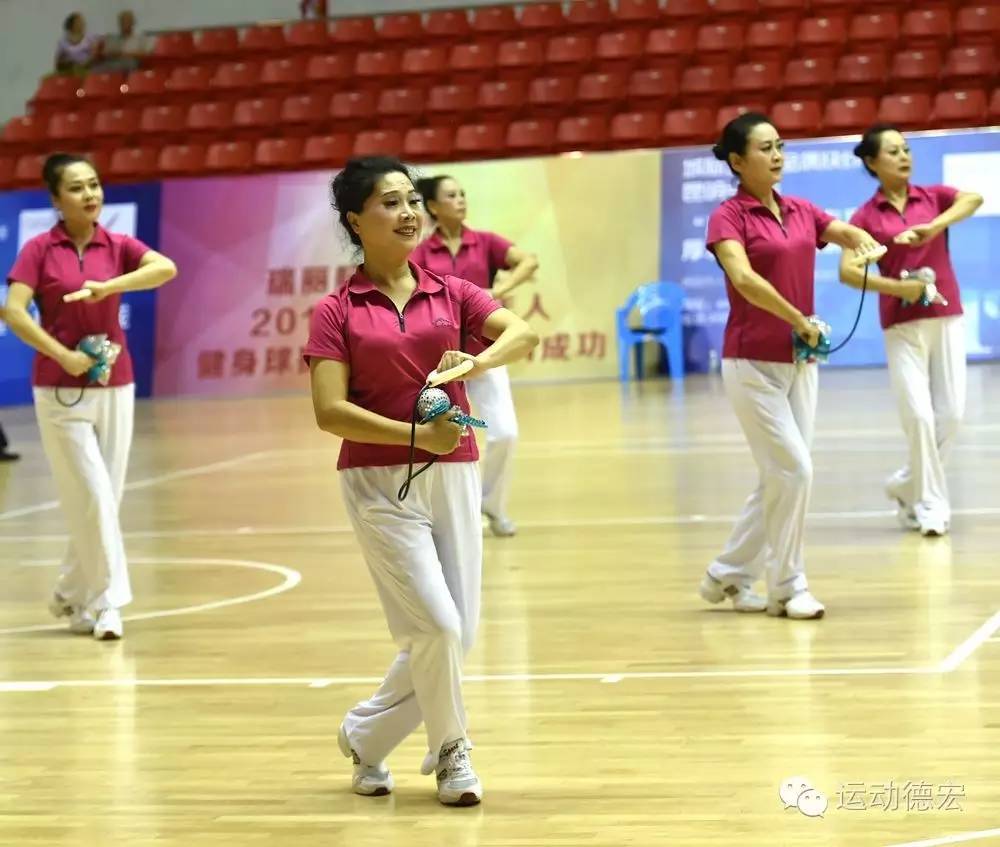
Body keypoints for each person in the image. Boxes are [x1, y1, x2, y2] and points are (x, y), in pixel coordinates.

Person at [304, 156, 537, 805]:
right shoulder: (335, 310)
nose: (409, 212)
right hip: (377, 483)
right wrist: (413, 436)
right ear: (356, 219)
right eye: (390, 202)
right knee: (435, 625)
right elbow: (329, 411)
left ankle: (366, 736)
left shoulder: (453, 290)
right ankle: (453, 750)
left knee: (456, 631)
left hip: (455, 472)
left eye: (413, 199)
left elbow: (520, 333)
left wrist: (478, 357)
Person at [697, 113, 884, 620]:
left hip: (801, 361)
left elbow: (837, 228)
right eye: (765, 148)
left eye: (780, 146)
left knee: (781, 475)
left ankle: (728, 574)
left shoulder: (799, 208)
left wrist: (859, 240)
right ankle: (788, 586)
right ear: (738, 161)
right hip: (750, 362)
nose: (777, 155)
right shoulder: (728, 217)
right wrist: (799, 318)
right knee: (795, 469)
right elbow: (743, 277)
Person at [3, 153, 177, 640]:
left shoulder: (117, 243)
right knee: (93, 495)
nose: (90, 195)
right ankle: (108, 604)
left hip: (116, 382)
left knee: (105, 498)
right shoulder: (39, 249)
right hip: (58, 390)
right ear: (57, 200)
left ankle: (69, 591)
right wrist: (62, 355)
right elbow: (14, 312)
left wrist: (110, 287)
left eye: (95, 185)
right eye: (77, 188)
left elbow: (165, 268)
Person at [840, 125, 983, 537]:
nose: (904, 156)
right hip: (901, 324)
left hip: (947, 315)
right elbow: (849, 271)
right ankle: (930, 506)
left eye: (906, 149)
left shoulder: (933, 197)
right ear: (871, 162)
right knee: (919, 417)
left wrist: (932, 227)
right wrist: (899, 288)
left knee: (951, 416)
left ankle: (906, 484)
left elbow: (973, 199)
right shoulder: (865, 217)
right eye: (892, 151)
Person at [411, 175, 539, 537]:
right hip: (439, 365)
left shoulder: (484, 242)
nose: (461, 200)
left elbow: (528, 261)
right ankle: (441, 515)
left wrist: (501, 287)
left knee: (505, 434)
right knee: (438, 438)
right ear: (433, 207)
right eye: (451, 196)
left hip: (485, 356)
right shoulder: (420, 254)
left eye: (463, 193)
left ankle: (492, 506)